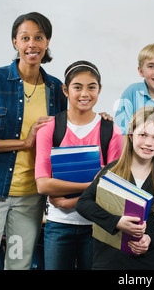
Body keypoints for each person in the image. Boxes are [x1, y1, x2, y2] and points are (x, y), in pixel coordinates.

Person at [0, 12, 67, 270]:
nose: (32, 44)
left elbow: (70, 133)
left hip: (29, 198)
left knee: (19, 265)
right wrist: (24, 143)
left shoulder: (56, 89)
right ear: (15, 42)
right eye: (25, 38)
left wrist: (102, 118)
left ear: (47, 42)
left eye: (39, 38)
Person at [34, 60, 123, 270]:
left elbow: (113, 188)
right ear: (65, 90)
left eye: (92, 87)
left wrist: (68, 202)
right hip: (58, 225)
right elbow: (43, 185)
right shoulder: (49, 129)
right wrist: (87, 188)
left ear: (99, 90)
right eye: (77, 87)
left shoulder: (111, 131)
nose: (85, 93)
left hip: (97, 226)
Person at [76, 106, 154, 269]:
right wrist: (117, 222)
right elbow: (83, 203)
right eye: (143, 135)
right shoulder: (113, 170)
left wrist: (151, 240)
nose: (148, 143)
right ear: (131, 135)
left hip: (145, 262)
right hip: (107, 261)